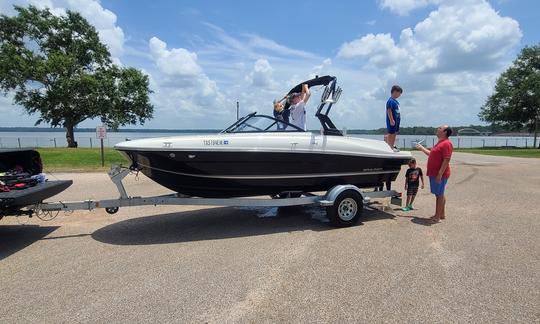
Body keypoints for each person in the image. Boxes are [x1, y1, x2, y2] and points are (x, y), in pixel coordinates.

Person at [415, 125, 453, 223]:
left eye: (440, 128)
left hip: (439, 174)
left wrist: (440, 173)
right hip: (434, 173)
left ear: (445, 132)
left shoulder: (446, 144)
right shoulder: (439, 143)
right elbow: (431, 154)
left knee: (439, 195)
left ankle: (437, 217)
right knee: (439, 193)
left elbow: (447, 159)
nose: (438, 129)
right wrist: (422, 148)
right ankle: (442, 214)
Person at [386, 85, 402, 151]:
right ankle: (389, 147)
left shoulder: (396, 101)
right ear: (395, 92)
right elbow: (389, 110)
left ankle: (392, 145)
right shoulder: (390, 101)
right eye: (399, 93)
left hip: (397, 120)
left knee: (395, 133)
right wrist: (391, 119)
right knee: (391, 133)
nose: (399, 95)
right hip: (392, 120)